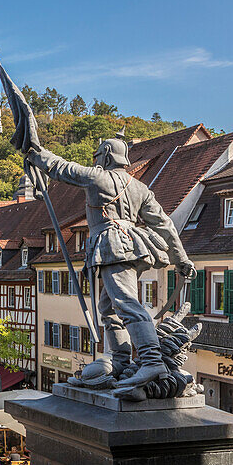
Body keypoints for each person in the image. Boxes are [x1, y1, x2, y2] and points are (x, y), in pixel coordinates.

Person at [25, 137, 194, 390]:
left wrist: (35, 153)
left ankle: (151, 361)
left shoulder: (99, 178)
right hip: (132, 246)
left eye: (96, 156)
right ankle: (121, 361)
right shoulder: (140, 188)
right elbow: (165, 225)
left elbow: (62, 168)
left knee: (126, 303)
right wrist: (181, 258)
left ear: (105, 155)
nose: (94, 160)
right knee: (109, 307)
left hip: (113, 247)